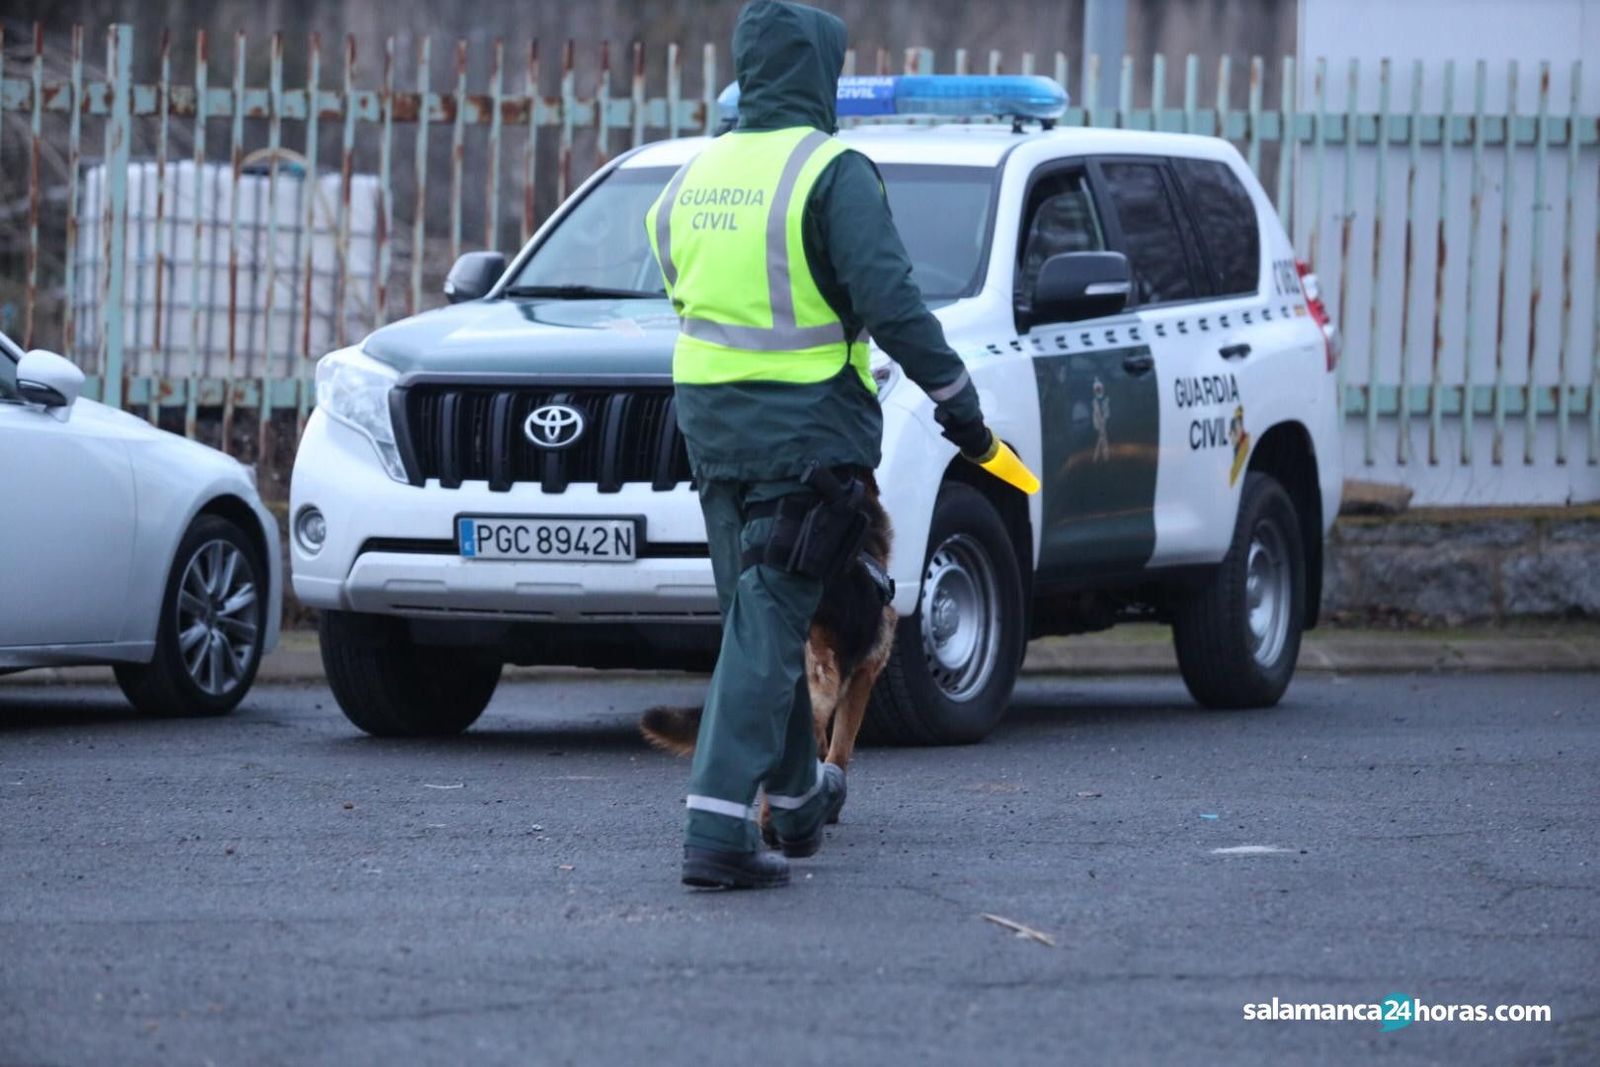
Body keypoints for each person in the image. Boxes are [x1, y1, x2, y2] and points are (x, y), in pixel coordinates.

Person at [645, 0, 995, 890]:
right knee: (767, 627)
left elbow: (673, 272)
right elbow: (891, 299)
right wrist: (960, 407)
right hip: (803, 435)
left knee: (755, 617)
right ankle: (718, 831)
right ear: (818, 71)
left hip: (712, 433)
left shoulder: (696, 172)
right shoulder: (832, 172)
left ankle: (797, 810)